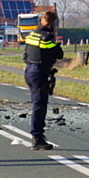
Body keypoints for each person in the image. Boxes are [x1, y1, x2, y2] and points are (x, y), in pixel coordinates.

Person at [24, 10, 64, 151]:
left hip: (30, 70)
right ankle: (37, 138)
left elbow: (25, 55)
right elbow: (59, 54)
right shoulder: (47, 37)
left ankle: (38, 136)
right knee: (39, 106)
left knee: (38, 103)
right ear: (52, 23)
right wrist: (55, 40)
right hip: (40, 72)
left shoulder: (32, 35)